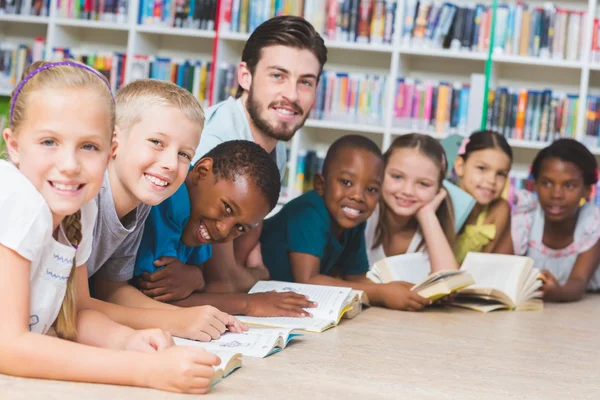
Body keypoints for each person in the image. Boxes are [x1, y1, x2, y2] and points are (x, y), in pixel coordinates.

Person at [0, 61, 219, 394]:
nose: (70, 165)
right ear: (13, 145)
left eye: (89, 146)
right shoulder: (17, 199)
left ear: (109, 151)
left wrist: (128, 340)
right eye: (49, 142)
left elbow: (78, 312)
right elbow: (8, 346)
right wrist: (145, 370)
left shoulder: (80, 210)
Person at [137, 15, 328, 297]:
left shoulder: (276, 150)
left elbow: (238, 256)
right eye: (278, 75)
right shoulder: (214, 146)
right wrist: (257, 275)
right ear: (245, 76)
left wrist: (239, 274)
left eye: (305, 82)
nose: (292, 95)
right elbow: (222, 283)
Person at [84, 79, 244, 342]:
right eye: (156, 142)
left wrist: (196, 316)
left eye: (184, 154)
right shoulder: (86, 196)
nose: (171, 163)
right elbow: (75, 305)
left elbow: (110, 289)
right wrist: (174, 320)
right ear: (115, 139)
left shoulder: (141, 204)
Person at [134, 140, 316, 317]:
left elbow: (195, 281)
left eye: (240, 227)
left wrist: (195, 276)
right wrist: (248, 304)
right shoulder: (172, 202)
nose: (223, 230)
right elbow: (152, 300)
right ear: (202, 172)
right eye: (227, 208)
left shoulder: (200, 221)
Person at [259, 135, 432, 312]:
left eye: (371, 189)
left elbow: (356, 278)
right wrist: (381, 292)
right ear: (320, 184)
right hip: (254, 292)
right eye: (346, 182)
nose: (358, 196)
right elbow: (308, 280)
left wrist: (397, 289)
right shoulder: (308, 211)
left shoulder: (353, 220)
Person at [496, 138, 600, 302]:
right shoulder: (526, 218)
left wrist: (557, 292)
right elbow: (498, 266)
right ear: (535, 185)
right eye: (547, 183)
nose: (556, 194)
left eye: (569, 186)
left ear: (587, 190)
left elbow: (578, 282)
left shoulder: (592, 224)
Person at [364, 134, 459, 282]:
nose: (408, 191)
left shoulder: (433, 225)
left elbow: (449, 284)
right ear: (380, 173)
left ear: (438, 190)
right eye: (397, 177)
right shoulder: (366, 213)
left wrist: (427, 215)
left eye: (423, 184)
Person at [453, 131, 513, 263]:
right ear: (460, 166)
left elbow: (487, 264)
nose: (492, 180)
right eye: (482, 168)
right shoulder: (445, 202)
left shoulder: (499, 209)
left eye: (501, 174)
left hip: (474, 280)